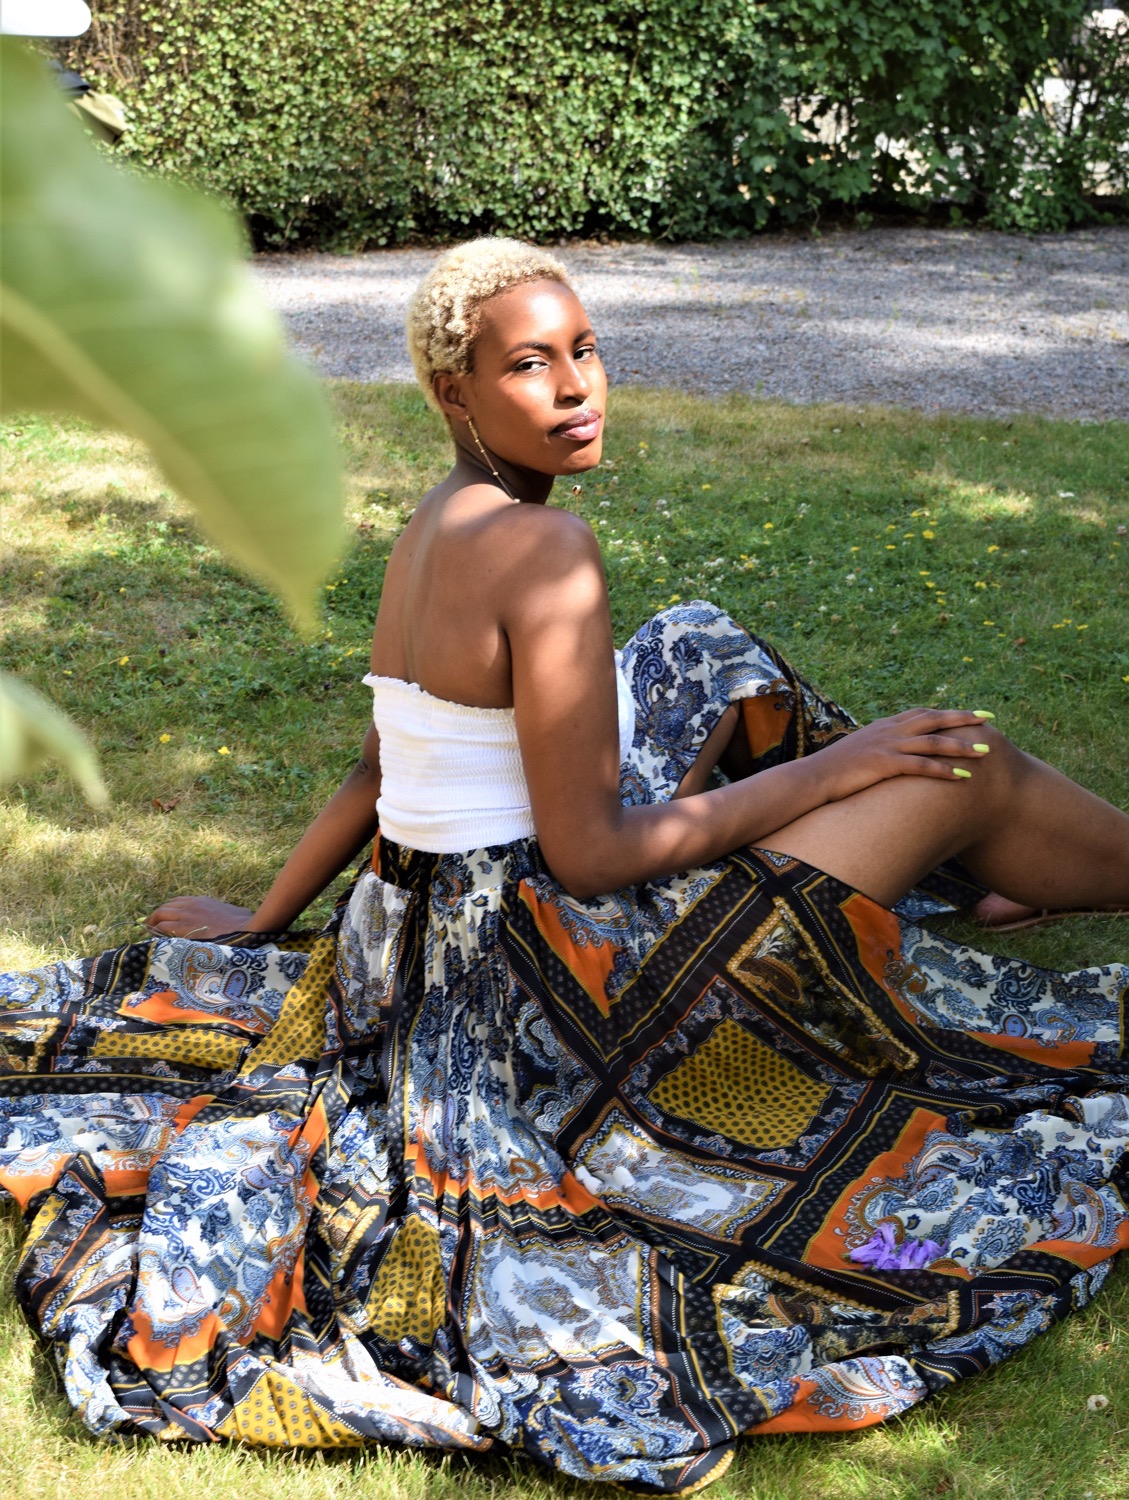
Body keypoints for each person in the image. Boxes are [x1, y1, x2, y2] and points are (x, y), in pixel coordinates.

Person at [2, 238, 1127, 1494]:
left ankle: (959, 880)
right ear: (455, 392)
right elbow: (592, 858)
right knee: (953, 757)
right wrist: (833, 769)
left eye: (583, 351)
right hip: (556, 988)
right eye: (530, 366)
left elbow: (385, 772)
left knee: (700, 648)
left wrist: (268, 918)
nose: (576, 386)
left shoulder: (436, 521)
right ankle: (975, 843)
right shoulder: (548, 557)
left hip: (412, 944)